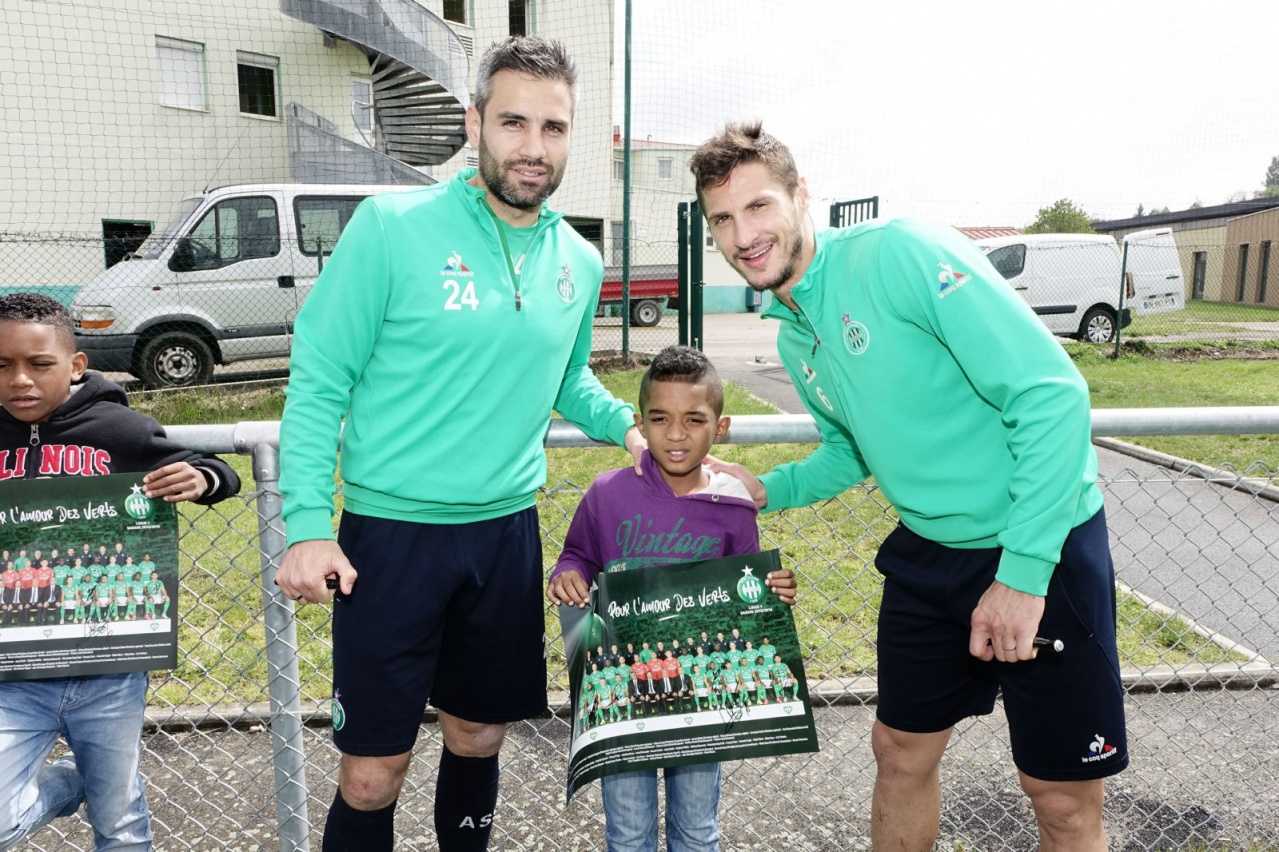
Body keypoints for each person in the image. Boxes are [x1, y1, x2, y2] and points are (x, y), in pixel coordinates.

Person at [690, 122, 1128, 851]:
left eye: (758, 206)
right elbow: (850, 449)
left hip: (1038, 546)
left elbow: (1051, 394)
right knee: (897, 755)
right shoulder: (794, 332)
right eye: (722, 220)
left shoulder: (900, 253)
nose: (743, 236)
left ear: (801, 195)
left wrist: (1022, 576)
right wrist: (769, 489)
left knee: (1058, 800)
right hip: (929, 555)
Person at [274, 35, 646, 852]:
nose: (533, 146)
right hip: (389, 540)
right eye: (513, 122)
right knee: (371, 775)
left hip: (503, 537)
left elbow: (567, 378)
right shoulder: (391, 227)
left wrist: (629, 427)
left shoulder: (578, 261)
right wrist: (305, 525)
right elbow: (320, 379)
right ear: (475, 124)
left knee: (478, 738)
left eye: (553, 127)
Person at [0, 292, 240, 850]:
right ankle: (70, 785)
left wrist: (201, 479)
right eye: (2, 365)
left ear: (75, 365)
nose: (20, 380)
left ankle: (98, 786)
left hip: (108, 669)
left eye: (39, 364)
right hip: (12, 672)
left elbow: (214, 470)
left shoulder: (114, 429)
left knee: (121, 822)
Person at [547, 345, 797, 852]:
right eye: (660, 419)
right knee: (628, 832)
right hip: (624, 699)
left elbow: (747, 596)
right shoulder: (607, 494)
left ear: (719, 428)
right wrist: (567, 574)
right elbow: (578, 555)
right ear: (641, 424)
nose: (676, 434)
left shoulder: (733, 508)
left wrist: (773, 594)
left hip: (700, 699)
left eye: (694, 420)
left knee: (697, 830)